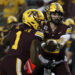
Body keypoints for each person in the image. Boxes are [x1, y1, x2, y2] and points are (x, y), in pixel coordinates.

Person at [30, 2, 72, 75]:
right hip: (44, 60)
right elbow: (38, 38)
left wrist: (58, 44)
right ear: (49, 14)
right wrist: (43, 44)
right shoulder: (43, 25)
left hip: (59, 61)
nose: (57, 16)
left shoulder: (66, 27)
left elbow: (64, 38)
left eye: (59, 14)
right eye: (54, 14)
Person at [0, 9, 45, 75]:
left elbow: (4, 41)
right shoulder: (35, 34)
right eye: (39, 21)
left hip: (5, 61)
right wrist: (45, 64)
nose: (41, 24)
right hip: (16, 62)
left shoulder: (15, 28)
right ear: (32, 21)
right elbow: (34, 59)